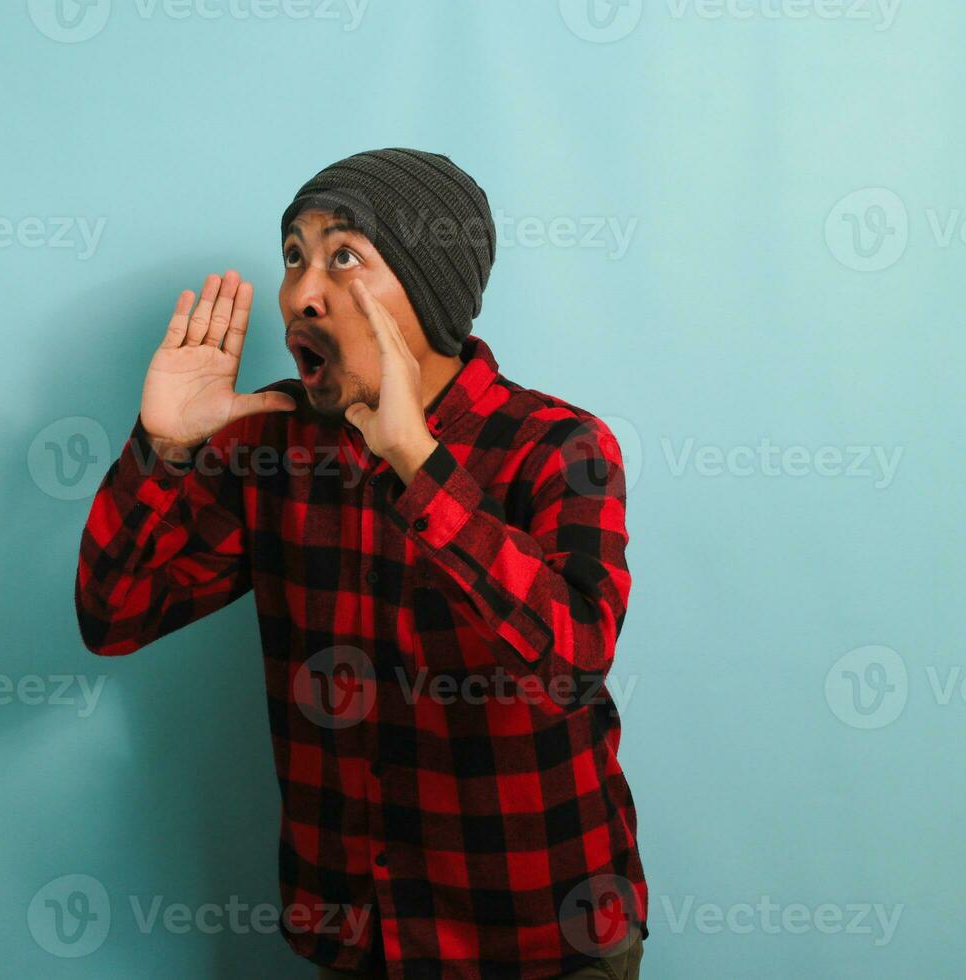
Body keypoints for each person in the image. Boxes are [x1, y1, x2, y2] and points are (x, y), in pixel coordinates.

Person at [75, 148, 647, 979]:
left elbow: (574, 657)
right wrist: (162, 450)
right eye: (295, 256)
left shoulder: (559, 446)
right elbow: (112, 616)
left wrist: (420, 462)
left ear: (429, 291)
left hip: (540, 938)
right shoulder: (270, 446)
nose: (302, 292)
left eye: (345, 255)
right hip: (358, 941)